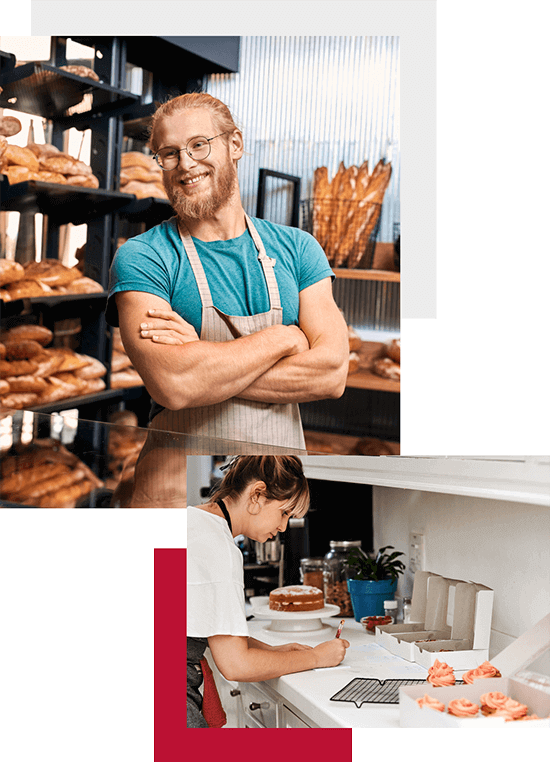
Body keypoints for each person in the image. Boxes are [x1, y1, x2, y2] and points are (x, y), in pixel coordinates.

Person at [106, 93, 349, 450]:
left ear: (235, 144)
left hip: (275, 486)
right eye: (169, 153)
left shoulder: (298, 249)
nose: (185, 164)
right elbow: (174, 385)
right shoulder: (144, 256)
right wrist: (283, 340)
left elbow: (331, 375)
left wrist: (201, 358)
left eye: (199, 145)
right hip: (182, 482)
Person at [187, 456, 350, 727]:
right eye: (284, 512)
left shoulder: (194, 520)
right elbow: (236, 665)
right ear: (257, 495)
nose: (284, 526)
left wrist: (276, 652)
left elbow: (211, 630)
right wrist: (316, 658)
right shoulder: (219, 549)